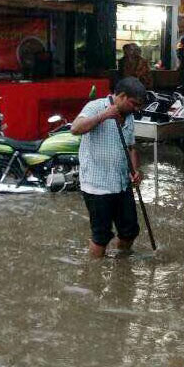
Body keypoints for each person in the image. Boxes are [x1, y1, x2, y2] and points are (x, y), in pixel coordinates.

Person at [70, 77, 147, 258]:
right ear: (121, 96)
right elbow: (75, 128)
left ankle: (121, 265)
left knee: (130, 231)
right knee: (101, 236)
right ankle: (94, 275)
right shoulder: (95, 107)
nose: (136, 109)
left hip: (121, 183)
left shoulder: (129, 117)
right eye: (133, 104)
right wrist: (104, 115)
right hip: (97, 185)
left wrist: (135, 171)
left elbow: (131, 148)